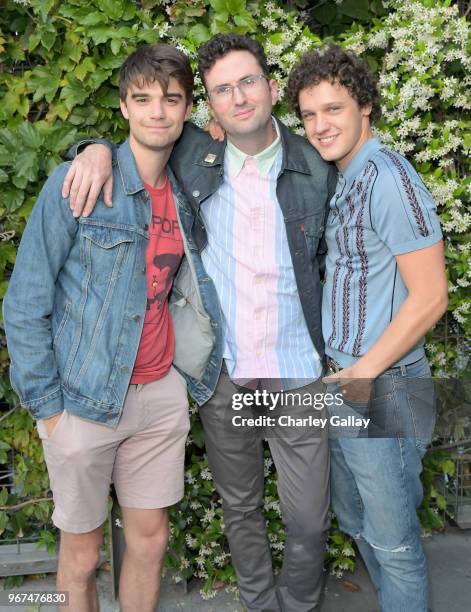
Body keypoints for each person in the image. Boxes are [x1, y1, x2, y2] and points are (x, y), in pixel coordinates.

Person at [60, 34, 337, 612]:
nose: (238, 98)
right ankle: (260, 603)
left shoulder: (315, 163)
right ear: (206, 105)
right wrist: (93, 149)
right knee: (240, 508)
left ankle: (301, 603)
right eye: (222, 90)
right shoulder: (192, 155)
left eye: (248, 81)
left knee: (309, 515)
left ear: (270, 84)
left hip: (298, 372)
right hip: (226, 372)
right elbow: (138, 143)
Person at [2, 43, 221, 612]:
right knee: (79, 557)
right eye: (142, 99)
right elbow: (25, 302)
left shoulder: (191, 187)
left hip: (160, 396)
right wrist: (49, 410)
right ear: (123, 107)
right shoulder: (78, 184)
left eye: (170, 100)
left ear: (186, 109)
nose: (157, 111)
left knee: (151, 541)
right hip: (81, 402)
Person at [287, 45, 448, 612]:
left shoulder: (388, 179)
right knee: (356, 518)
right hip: (347, 382)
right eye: (309, 115)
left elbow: (431, 297)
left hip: (385, 385)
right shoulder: (345, 176)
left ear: (367, 108)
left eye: (333, 109)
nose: (320, 125)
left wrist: (362, 373)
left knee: (395, 542)